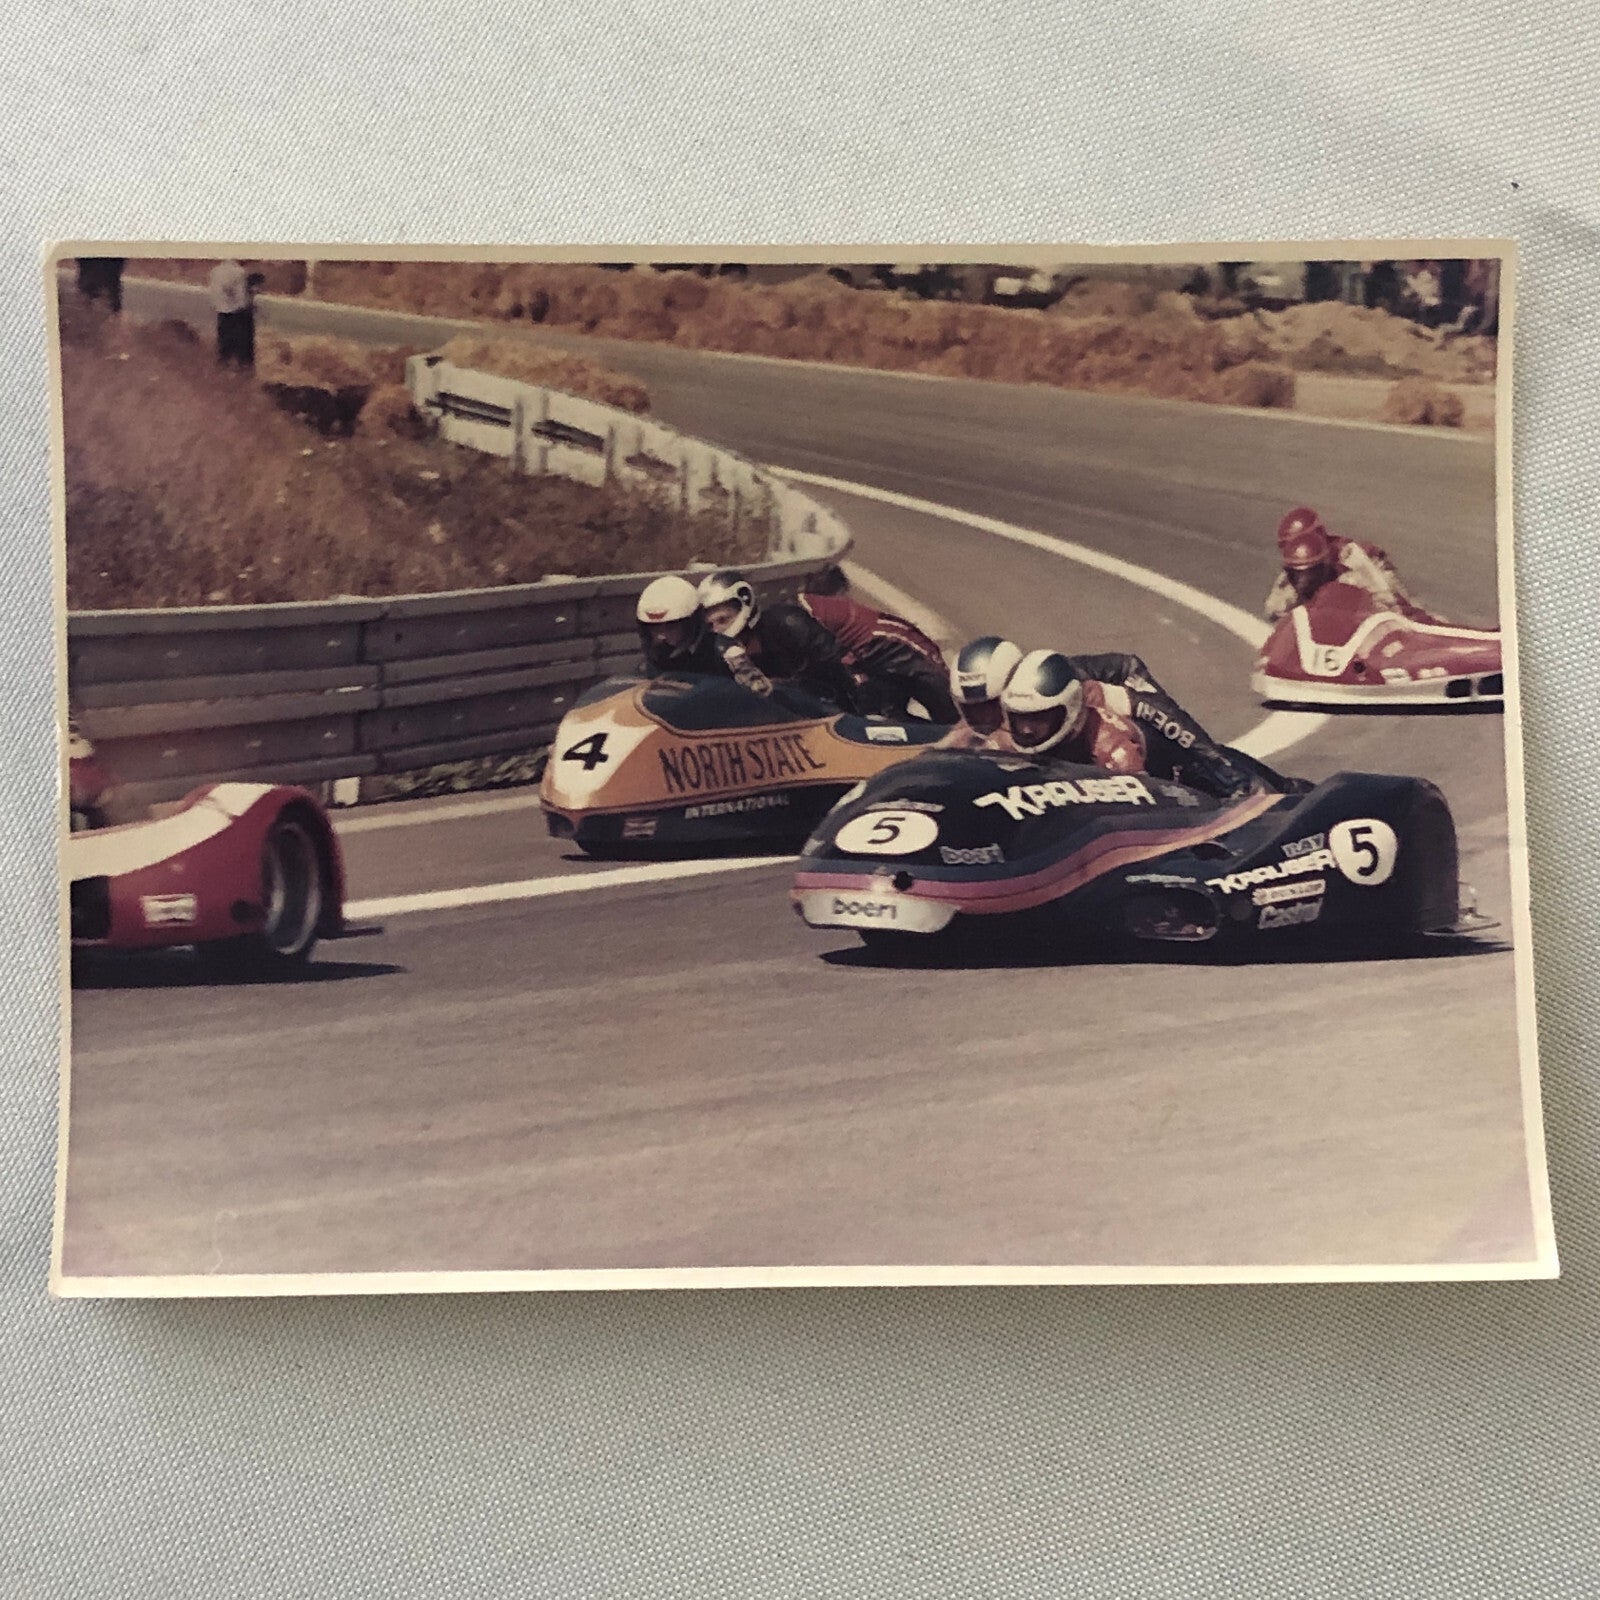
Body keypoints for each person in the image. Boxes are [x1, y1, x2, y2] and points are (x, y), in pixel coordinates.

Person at [1000, 651, 1272, 800]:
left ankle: (1258, 785)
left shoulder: (1111, 748)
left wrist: (1223, 769)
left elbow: (1142, 816)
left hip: (1158, 747)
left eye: (1038, 719)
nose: (1026, 730)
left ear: (1066, 710)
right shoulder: (1007, 722)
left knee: (1219, 767)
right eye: (1020, 718)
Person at [799, 566, 957, 722]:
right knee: (869, 711)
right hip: (859, 658)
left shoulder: (802, 614)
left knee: (951, 714)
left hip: (892, 645)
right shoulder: (798, 612)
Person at [696, 570, 860, 710]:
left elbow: (840, 676)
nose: (717, 629)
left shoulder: (789, 624)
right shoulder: (718, 653)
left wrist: (785, 687)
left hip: (832, 713)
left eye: (723, 620)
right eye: (711, 625)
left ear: (745, 602)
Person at [1265, 506, 1443, 624]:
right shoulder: (1297, 568)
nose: (1298, 547)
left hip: (1371, 579)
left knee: (1403, 611)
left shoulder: (1350, 555)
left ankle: (1434, 627)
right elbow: (1273, 609)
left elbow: (1385, 595)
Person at [938, 635, 1025, 749]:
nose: (985, 720)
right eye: (972, 710)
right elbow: (936, 751)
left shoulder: (1037, 735)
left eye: (992, 707)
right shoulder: (964, 733)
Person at [634, 575, 726, 676]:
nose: (661, 636)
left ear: (692, 625)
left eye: (671, 627)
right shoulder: (648, 668)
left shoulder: (723, 656)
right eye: (654, 628)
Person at [208, 258, 257, 368]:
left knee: (224, 341)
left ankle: (223, 364)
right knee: (242, 344)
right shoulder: (239, 272)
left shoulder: (215, 271)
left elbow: (213, 292)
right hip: (238, 313)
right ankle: (243, 366)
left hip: (221, 311)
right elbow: (241, 297)